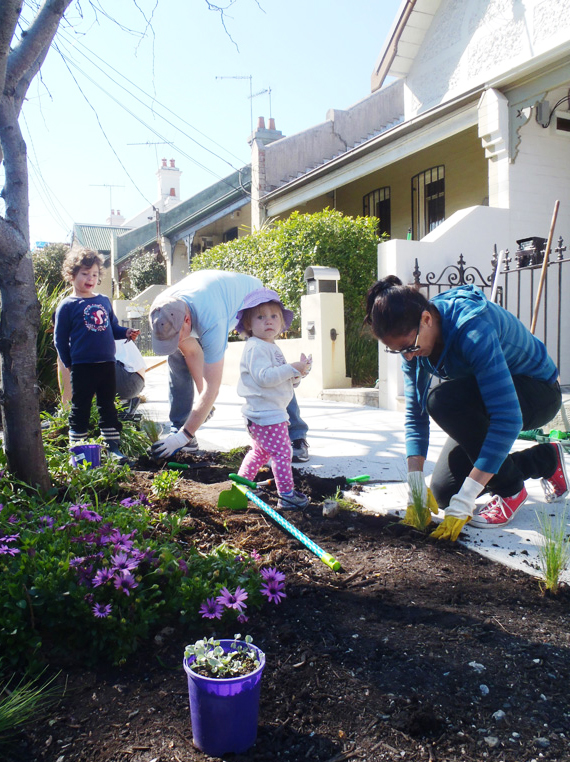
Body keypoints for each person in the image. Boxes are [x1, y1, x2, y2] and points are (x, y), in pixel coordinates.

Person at [364, 275, 568, 540]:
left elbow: (507, 419)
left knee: (442, 401)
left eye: (409, 347)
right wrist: (416, 483)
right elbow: (416, 415)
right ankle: (545, 460)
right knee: (445, 493)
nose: (408, 356)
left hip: (538, 392)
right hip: (490, 393)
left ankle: (511, 490)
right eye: (398, 351)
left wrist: (470, 495)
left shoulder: (472, 329)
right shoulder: (413, 343)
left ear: (426, 319)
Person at [148, 270, 310, 460]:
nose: (176, 341)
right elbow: (191, 353)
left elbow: (212, 387)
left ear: (187, 320)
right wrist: (203, 408)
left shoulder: (211, 320)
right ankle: (180, 430)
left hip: (249, 298)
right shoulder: (162, 310)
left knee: (269, 361)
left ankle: (296, 435)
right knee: (176, 357)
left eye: (177, 336)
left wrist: (189, 429)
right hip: (210, 296)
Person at [54, 248, 140, 461]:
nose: (90, 278)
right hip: (82, 366)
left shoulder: (103, 300)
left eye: (94, 274)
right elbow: (59, 339)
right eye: (84, 273)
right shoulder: (67, 305)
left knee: (108, 406)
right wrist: (69, 364)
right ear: (72, 275)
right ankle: (79, 450)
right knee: (80, 407)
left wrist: (127, 333)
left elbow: (113, 328)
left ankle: (113, 449)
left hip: (107, 364)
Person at [235, 288, 312, 509]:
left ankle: (242, 485)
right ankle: (286, 495)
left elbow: (279, 379)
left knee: (260, 451)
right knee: (282, 453)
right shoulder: (255, 348)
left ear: (281, 322)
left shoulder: (269, 346)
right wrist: (290, 368)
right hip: (266, 414)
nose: (268, 321)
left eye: (274, 316)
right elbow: (265, 378)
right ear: (248, 324)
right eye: (260, 317)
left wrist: (296, 374)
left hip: (266, 413)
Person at [56, 339, 146, 416]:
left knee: (65, 356)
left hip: (127, 378)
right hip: (135, 380)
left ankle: (66, 411)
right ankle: (120, 404)